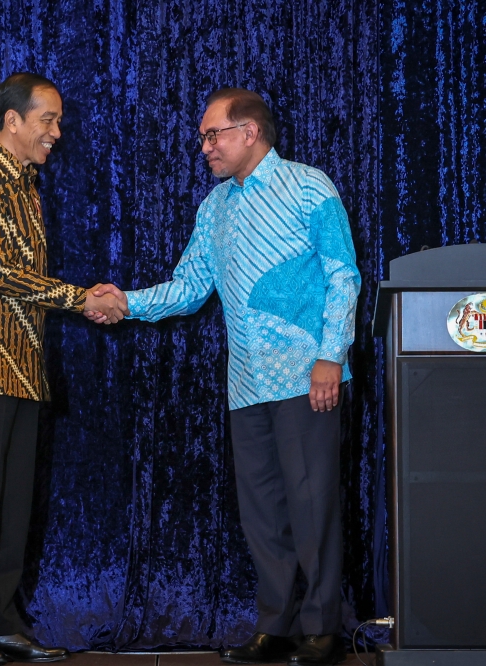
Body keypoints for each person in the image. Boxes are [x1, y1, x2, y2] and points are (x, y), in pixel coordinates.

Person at [88, 88, 361, 666]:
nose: (205, 147)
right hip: (247, 382)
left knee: (311, 504)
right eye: (204, 137)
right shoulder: (214, 208)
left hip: (307, 375)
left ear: (250, 133)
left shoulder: (311, 187)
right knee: (261, 509)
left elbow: (343, 274)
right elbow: (188, 288)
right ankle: (276, 626)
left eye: (214, 134)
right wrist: (126, 302)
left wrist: (331, 357)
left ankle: (322, 629)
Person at [0, 72, 126, 666]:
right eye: (46, 119)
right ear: (12, 122)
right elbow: (2, 273)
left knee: (12, 502)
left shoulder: (25, 184)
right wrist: (82, 298)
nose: (56, 130)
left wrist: (79, 297)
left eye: (57, 120)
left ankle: (4, 620)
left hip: (22, 369)